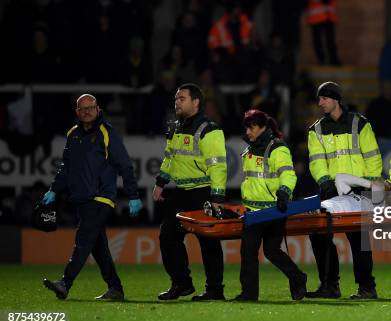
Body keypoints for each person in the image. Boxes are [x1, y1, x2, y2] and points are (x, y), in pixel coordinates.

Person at [42, 94, 143, 301]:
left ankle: (65, 282)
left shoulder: (107, 133)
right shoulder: (73, 134)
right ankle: (115, 288)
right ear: (77, 112)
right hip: (80, 199)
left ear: (98, 109)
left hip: (101, 198)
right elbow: (66, 168)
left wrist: (133, 195)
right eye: (83, 108)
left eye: (91, 107)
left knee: (83, 240)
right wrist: (54, 189)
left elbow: (124, 165)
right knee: (98, 247)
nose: (87, 111)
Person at [306, 81, 381, 299]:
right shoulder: (317, 130)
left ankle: (366, 287)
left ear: (336, 99)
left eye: (324, 98)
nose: (320, 103)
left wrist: (370, 185)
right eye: (319, 98)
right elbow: (316, 162)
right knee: (319, 235)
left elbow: (373, 158)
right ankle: (330, 285)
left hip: (357, 192)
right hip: (330, 191)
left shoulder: (360, 125)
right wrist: (325, 182)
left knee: (358, 241)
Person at [153, 83, 227, 301]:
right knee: (167, 237)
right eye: (176, 98)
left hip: (203, 193)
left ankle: (215, 290)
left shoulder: (209, 129)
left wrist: (216, 197)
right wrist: (160, 183)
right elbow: (170, 157)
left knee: (208, 243)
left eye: (182, 98)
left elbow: (218, 165)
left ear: (196, 102)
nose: (177, 102)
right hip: (181, 193)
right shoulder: (176, 127)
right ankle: (182, 284)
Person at [233, 110, 307, 301]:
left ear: (262, 127)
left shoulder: (277, 148)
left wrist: (284, 192)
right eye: (247, 127)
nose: (248, 131)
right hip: (254, 211)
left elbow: (288, 174)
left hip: (274, 209)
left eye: (252, 127)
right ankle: (294, 278)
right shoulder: (249, 149)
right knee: (258, 251)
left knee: (266, 251)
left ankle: (295, 279)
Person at [306, 0, 340, 65]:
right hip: (316, 17)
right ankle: (322, 60)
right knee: (318, 41)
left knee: (330, 40)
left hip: (329, 16)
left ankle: (334, 60)